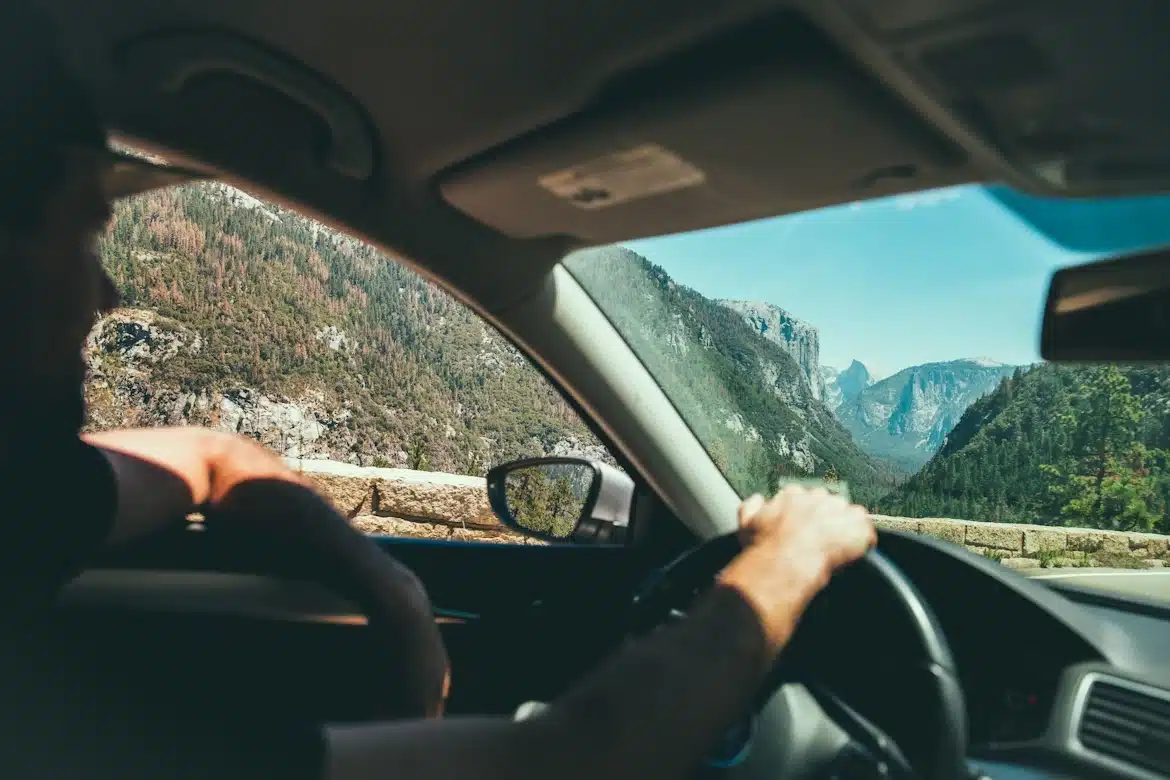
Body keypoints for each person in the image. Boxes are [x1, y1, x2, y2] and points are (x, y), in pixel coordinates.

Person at [0, 3, 876, 778]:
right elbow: (574, 757)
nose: (108, 293)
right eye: (83, 233)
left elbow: (213, 455)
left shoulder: (26, 500)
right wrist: (794, 550)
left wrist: (397, 593)